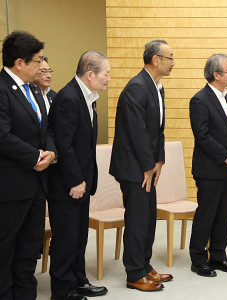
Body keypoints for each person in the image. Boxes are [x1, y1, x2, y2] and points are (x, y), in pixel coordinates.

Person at [110, 39, 174, 292]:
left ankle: (145, 266)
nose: (173, 63)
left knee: (148, 218)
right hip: (133, 166)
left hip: (147, 164)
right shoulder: (137, 87)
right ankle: (134, 273)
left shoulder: (157, 87)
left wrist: (158, 160)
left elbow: (157, 130)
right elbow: (136, 131)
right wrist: (148, 165)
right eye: (170, 58)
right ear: (155, 60)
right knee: (137, 220)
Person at [47, 50, 110, 300]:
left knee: (79, 236)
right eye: (106, 74)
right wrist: (75, 180)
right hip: (68, 184)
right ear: (91, 74)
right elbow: (64, 144)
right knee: (65, 238)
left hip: (82, 182)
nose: (108, 79)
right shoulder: (69, 98)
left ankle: (78, 281)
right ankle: (62, 291)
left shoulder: (88, 97)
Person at [0, 31, 56, 300]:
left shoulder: (34, 89)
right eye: (38, 60)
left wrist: (51, 153)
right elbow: (2, 135)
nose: (41, 66)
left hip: (36, 185)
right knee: (6, 247)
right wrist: (35, 157)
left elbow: (47, 129)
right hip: (11, 186)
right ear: (19, 62)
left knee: (29, 247)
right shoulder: (1, 88)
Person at [189, 54, 227, 277]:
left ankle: (219, 256)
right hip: (210, 169)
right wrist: (225, 156)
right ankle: (199, 259)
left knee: (224, 214)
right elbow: (202, 136)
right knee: (207, 214)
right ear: (216, 75)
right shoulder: (200, 100)